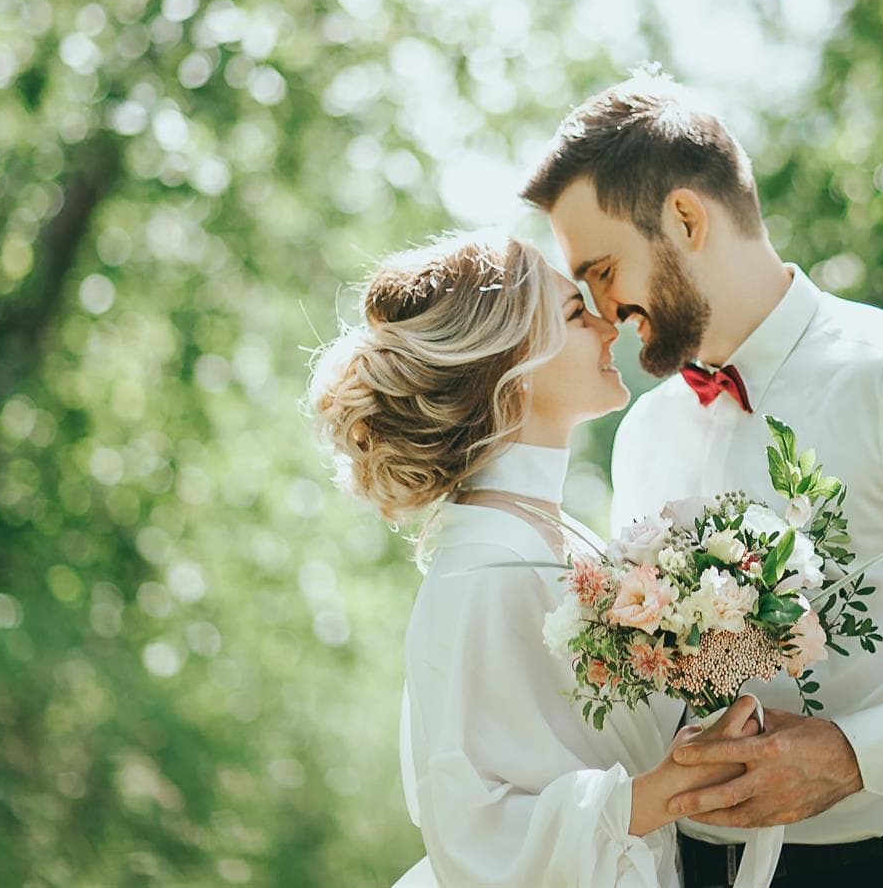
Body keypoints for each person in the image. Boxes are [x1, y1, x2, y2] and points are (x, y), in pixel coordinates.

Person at [522, 74, 883, 888]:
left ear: (687, 220)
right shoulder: (644, 433)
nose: (598, 311)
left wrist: (853, 755)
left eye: (602, 271)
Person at [308, 231, 762, 888]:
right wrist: (660, 792)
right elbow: (469, 828)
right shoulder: (482, 566)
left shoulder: (557, 537)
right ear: (513, 364)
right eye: (577, 314)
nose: (610, 325)